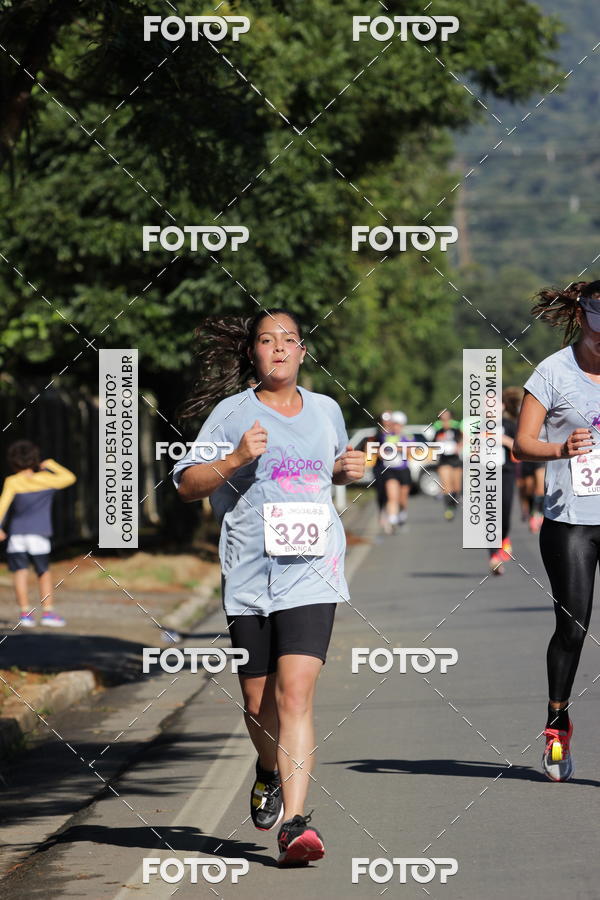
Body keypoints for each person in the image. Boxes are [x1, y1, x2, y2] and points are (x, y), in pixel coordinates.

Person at [172, 309, 365, 865]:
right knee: (259, 704)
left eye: (288, 339)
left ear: (303, 351)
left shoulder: (326, 410)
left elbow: (324, 469)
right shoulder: (231, 414)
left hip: (313, 569)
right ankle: (266, 767)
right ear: (253, 353)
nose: (278, 347)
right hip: (251, 574)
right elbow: (186, 484)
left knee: (295, 694)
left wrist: (345, 470)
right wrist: (236, 458)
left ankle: (296, 823)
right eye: (265, 339)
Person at [513, 281, 600, 782]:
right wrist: (561, 449)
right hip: (572, 521)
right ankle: (557, 724)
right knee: (573, 627)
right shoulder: (552, 372)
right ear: (582, 319)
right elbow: (523, 444)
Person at [0, 441, 76, 627]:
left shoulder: (12, 481)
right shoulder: (47, 480)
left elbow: (2, 505)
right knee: (43, 573)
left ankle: (25, 614)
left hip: (17, 535)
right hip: (39, 534)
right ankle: (48, 613)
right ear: (35, 459)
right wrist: (50, 464)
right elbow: (70, 478)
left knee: (20, 572)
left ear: (13, 462)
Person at [488, 388, 519, 576]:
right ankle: (494, 557)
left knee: (505, 513)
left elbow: (520, 449)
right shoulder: (478, 427)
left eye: (493, 403)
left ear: (502, 406)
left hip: (505, 473)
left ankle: (504, 537)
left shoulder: (509, 425)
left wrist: (505, 440)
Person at [375, 411, 412, 533]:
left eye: (398, 424)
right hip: (389, 470)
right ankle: (392, 520)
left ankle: (402, 512)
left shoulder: (407, 436)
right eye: (394, 424)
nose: (396, 427)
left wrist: (398, 447)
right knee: (392, 496)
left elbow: (411, 452)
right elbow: (379, 452)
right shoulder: (385, 436)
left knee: (402, 498)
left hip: (403, 470)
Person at [429, 408, 462, 519]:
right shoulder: (438, 432)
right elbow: (433, 445)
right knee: (447, 487)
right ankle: (449, 508)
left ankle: (454, 505)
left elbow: (464, 439)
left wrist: (459, 446)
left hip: (456, 460)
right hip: (444, 460)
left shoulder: (456, 429)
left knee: (456, 487)